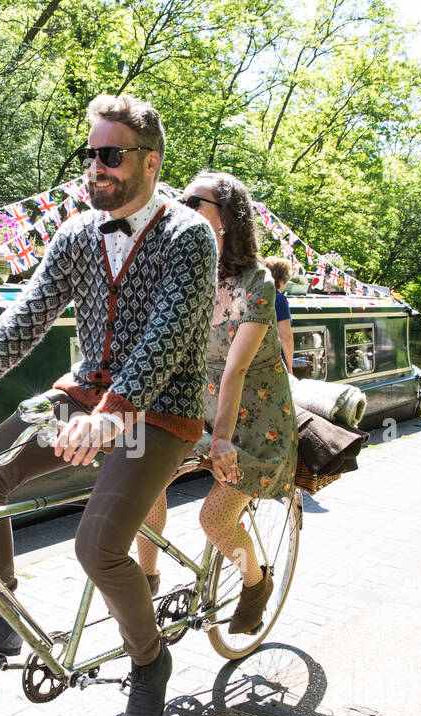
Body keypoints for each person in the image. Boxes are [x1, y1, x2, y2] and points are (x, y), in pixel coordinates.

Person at [0, 93, 217, 716]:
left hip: (160, 413)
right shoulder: (79, 236)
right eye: (91, 155)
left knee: (97, 546)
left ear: (150, 162)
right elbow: (26, 315)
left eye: (111, 155)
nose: (97, 168)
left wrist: (114, 415)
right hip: (83, 397)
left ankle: (149, 661)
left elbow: (165, 342)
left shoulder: (189, 237)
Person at [135, 172, 298, 634]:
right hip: (199, 410)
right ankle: (146, 583)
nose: (181, 207)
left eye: (193, 201)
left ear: (225, 217)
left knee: (214, 520)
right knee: (144, 485)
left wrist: (222, 440)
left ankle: (255, 581)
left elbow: (235, 369)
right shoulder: (188, 276)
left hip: (254, 424)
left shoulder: (258, 283)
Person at [263, 256, 294, 371]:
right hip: (273, 362)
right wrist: (290, 367)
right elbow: (285, 336)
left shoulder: (253, 295)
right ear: (281, 280)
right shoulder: (279, 299)